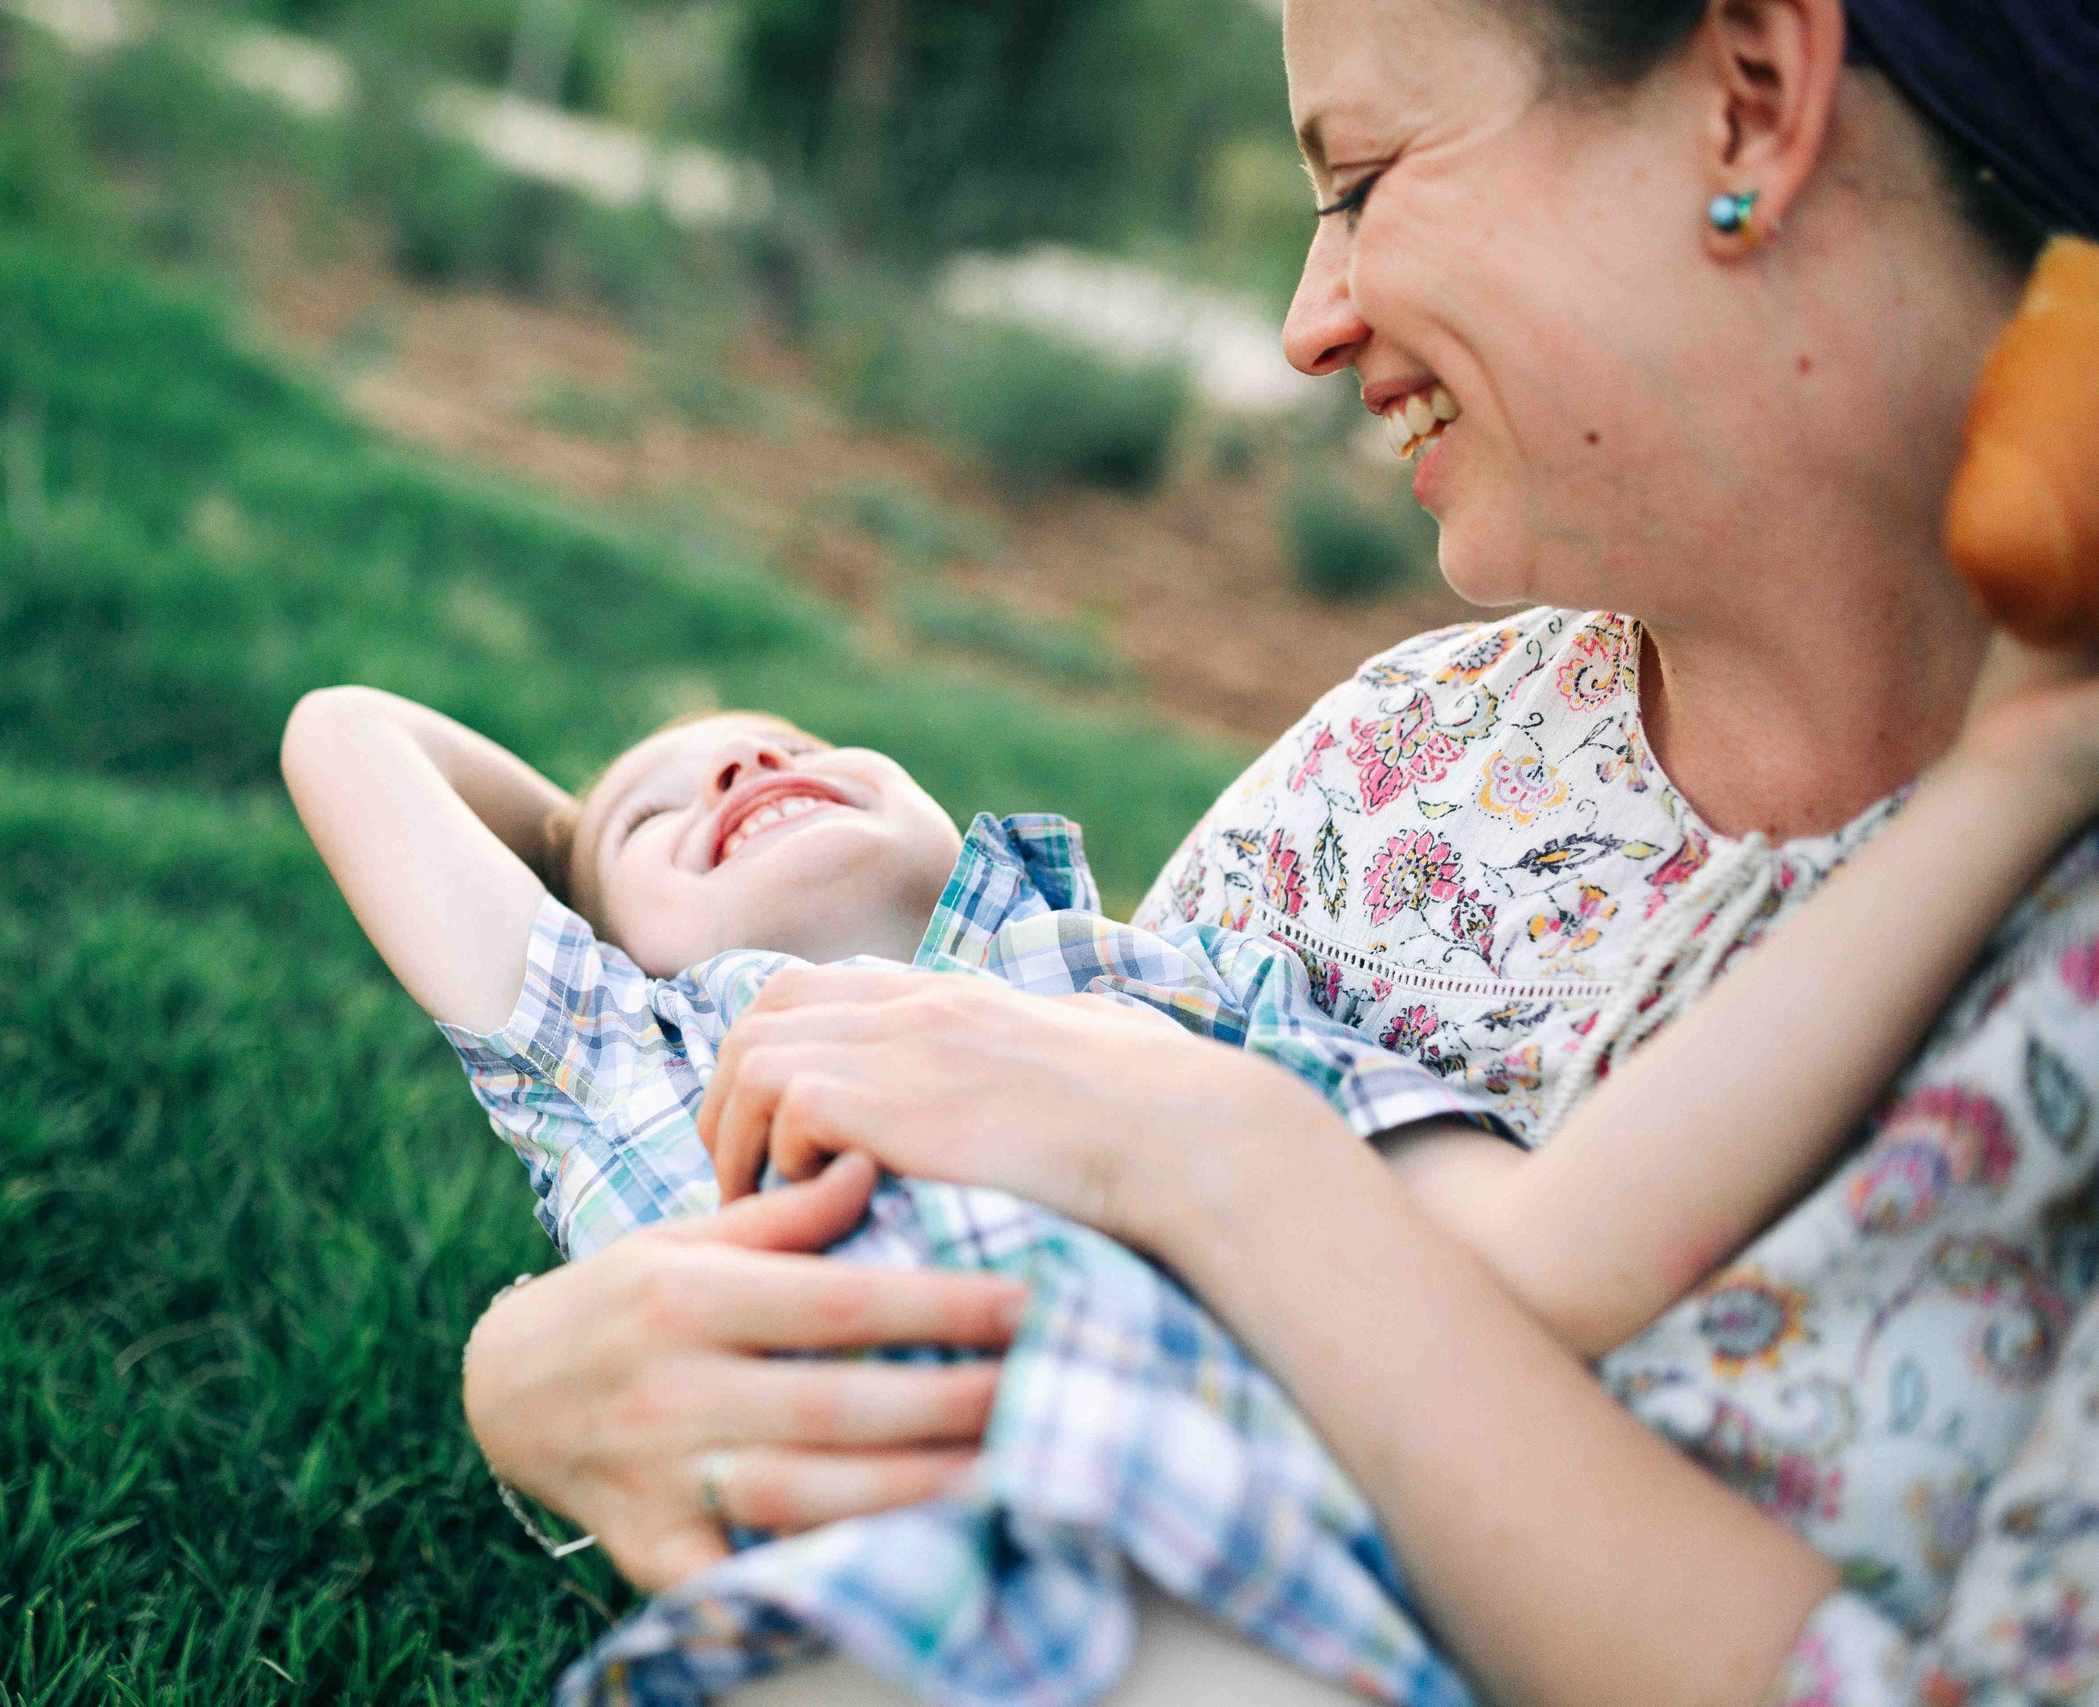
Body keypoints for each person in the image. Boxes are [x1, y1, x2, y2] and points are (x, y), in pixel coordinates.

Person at [459, 1, 2099, 1702]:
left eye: (1369, 175)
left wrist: (1229, 1160)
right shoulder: (1392, 779)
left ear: (1754, 95)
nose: (1309, 327)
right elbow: (1046, 1346)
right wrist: (534, 1371)